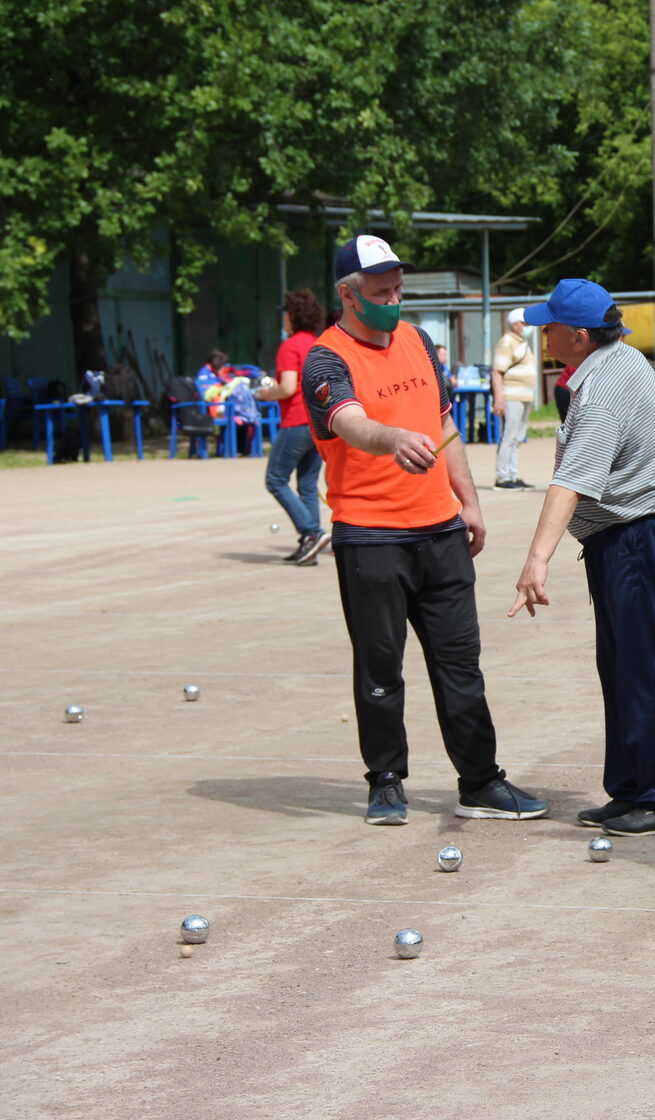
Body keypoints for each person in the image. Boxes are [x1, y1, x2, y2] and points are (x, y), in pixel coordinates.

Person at [303, 233, 547, 825]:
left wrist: (469, 500)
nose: (394, 299)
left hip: (440, 532)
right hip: (371, 536)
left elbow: (444, 425)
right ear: (348, 295)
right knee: (380, 669)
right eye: (381, 292)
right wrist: (393, 439)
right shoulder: (326, 358)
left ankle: (481, 781)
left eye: (398, 288)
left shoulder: (416, 340)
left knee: (461, 666)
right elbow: (351, 423)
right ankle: (386, 780)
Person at [509, 279, 655, 838]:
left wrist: (535, 560)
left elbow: (571, 482)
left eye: (550, 326)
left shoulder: (605, 385)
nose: (543, 333)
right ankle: (633, 788)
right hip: (623, 536)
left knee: (645, 665)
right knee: (619, 666)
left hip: (640, 534)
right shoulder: (610, 363)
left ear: (578, 335)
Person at [255, 289, 329, 565]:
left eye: (285, 313)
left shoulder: (290, 346)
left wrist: (263, 393)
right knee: (307, 484)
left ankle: (311, 532)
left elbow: (287, 388)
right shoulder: (320, 343)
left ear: (294, 316)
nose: (283, 319)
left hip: (297, 419)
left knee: (275, 479)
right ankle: (310, 545)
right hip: (318, 421)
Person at [491, 307, 538, 491]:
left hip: (525, 395)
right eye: (525, 323)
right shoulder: (507, 342)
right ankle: (502, 477)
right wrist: (499, 399)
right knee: (509, 436)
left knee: (518, 437)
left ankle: (513, 474)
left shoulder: (522, 342)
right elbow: (497, 372)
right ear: (515, 324)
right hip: (512, 394)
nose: (528, 327)